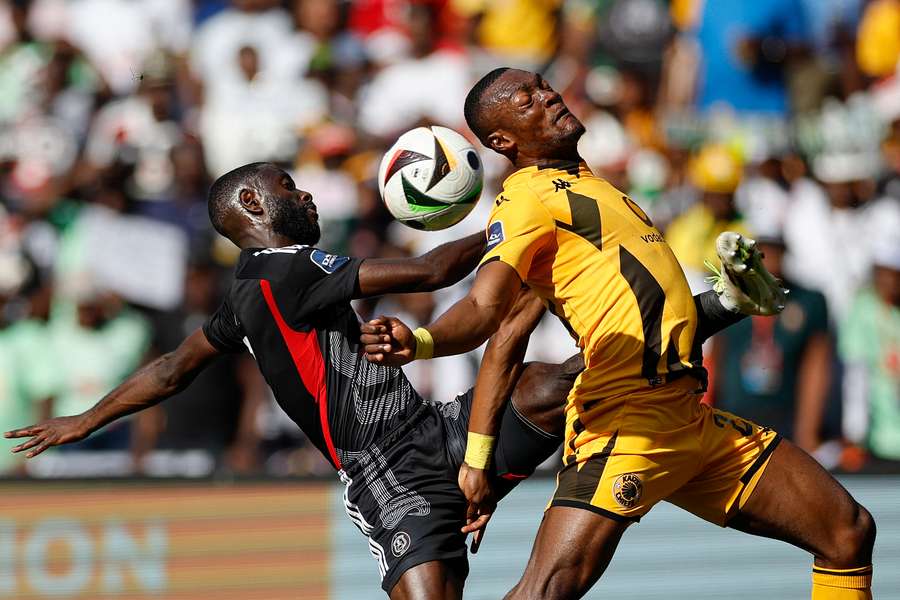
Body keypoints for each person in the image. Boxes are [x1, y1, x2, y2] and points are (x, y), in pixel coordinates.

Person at [360, 68, 876, 600]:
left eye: (543, 86)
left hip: (686, 416)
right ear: (502, 142)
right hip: (625, 420)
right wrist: (422, 342)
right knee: (545, 592)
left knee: (847, 532)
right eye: (527, 99)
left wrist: (728, 304)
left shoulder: (591, 190)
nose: (549, 96)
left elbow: (520, 337)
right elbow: (486, 307)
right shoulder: (526, 200)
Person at [4, 162, 575, 600]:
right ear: (251, 203)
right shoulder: (288, 268)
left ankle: (653, 356)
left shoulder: (246, 295)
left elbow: (171, 368)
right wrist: (518, 218)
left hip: (434, 426)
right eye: (287, 185)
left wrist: (86, 418)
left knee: (549, 385)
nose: (304, 194)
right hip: (387, 476)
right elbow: (433, 272)